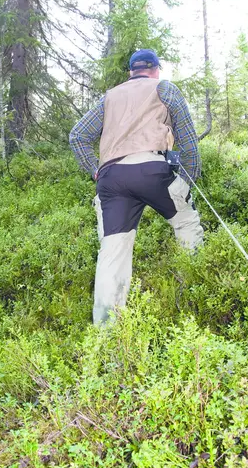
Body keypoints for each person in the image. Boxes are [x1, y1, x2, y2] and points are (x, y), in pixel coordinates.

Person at [69, 49, 204, 324]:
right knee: (187, 223)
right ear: (155, 69)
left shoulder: (110, 96)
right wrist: (187, 183)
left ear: (131, 71)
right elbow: (189, 141)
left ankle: (106, 329)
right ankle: (195, 295)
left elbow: (78, 135)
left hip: (111, 178)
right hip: (151, 170)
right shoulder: (164, 88)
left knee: (112, 250)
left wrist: (96, 171)